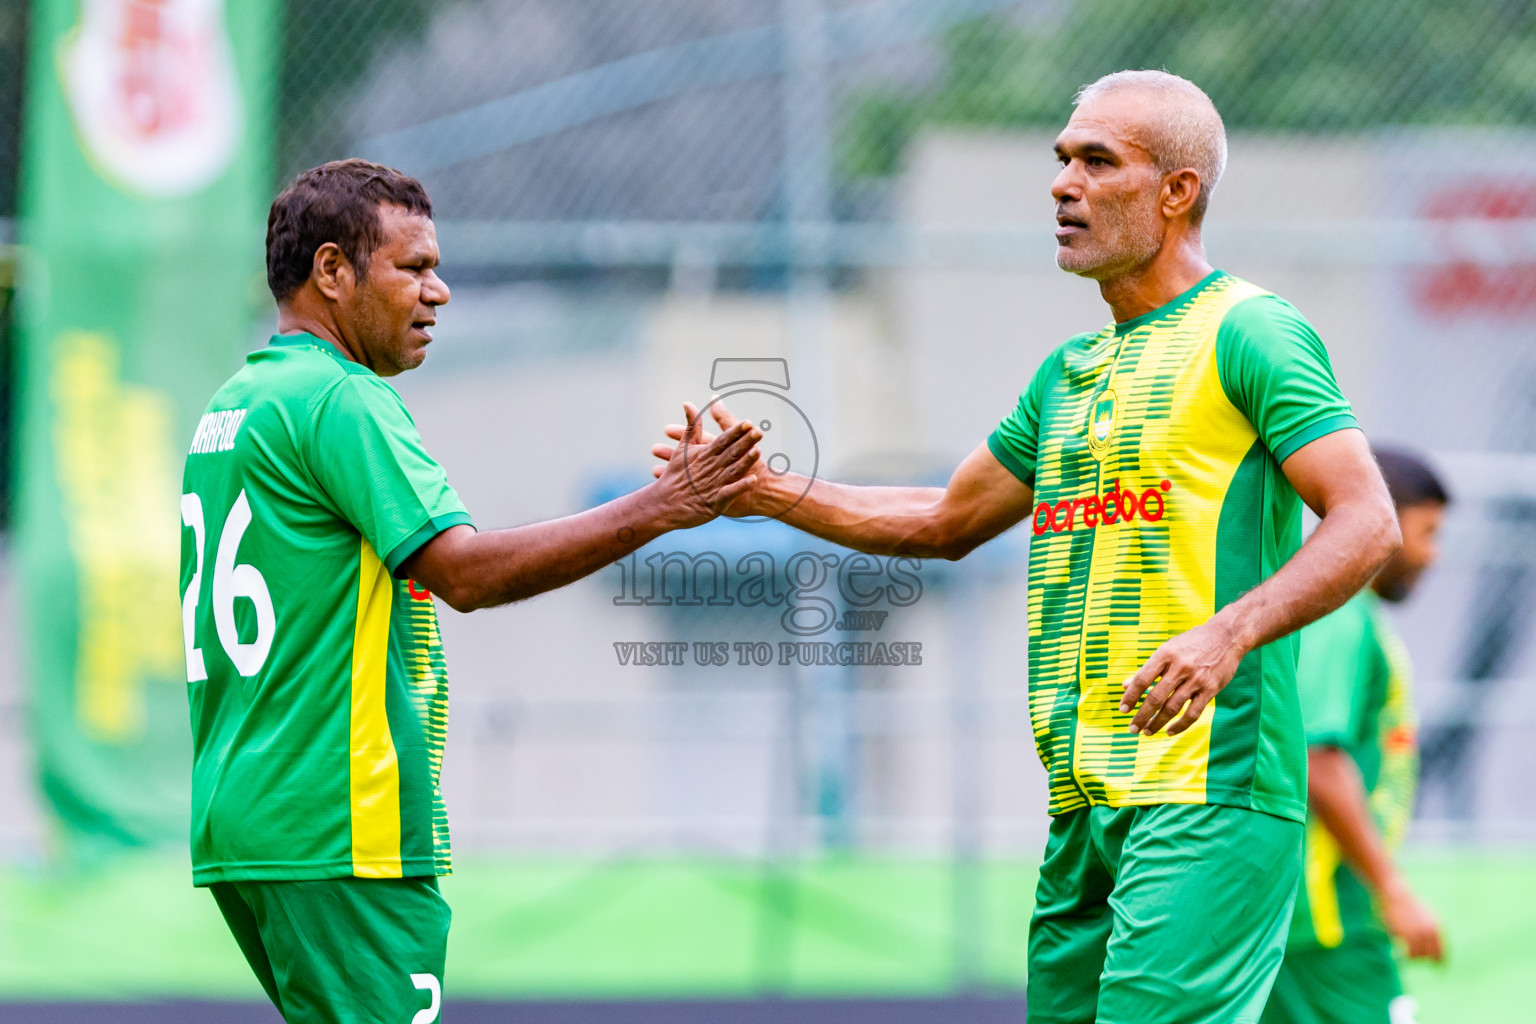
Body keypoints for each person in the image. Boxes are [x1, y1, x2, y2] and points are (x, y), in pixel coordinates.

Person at [654, 70, 1400, 1023]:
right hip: (1084, 797)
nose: (1062, 183)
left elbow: (1366, 518)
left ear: (1177, 191)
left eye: (1098, 161)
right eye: (1061, 160)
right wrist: (763, 491)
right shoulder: (1067, 374)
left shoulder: (1251, 332)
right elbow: (943, 520)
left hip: (1207, 789)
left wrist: (1229, 633)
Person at [178, 159, 760, 1023]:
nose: (439, 291)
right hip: (341, 829)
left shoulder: (239, 402)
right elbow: (464, 572)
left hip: (251, 820)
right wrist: (660, 507)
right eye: (412, 268)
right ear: (332, 272)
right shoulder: (343, 401)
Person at [1262, 448, 1449, 1024]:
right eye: (1427, 532)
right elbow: (1316, 757)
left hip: (1315, 917)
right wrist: (1393, 889)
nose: (1431, 554)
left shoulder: (1344, 610)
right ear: (1382, 517)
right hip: (1325, 922)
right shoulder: (1336, 611)